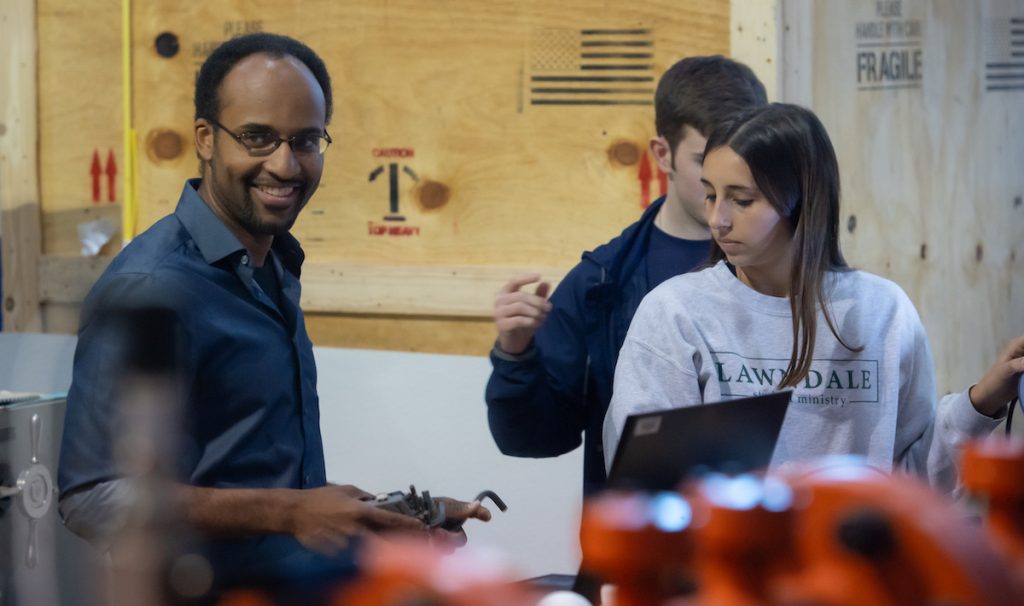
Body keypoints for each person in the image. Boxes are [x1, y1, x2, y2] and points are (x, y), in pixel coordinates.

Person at [57, 33, 487, 590]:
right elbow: (92, 498)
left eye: (306, 140)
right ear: (206, 140)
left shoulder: (272, 262)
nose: (285, 165)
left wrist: (386, 516)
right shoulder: (152, 287)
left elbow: (260, 480)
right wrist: (290, 512)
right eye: (257, 138)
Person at [603, 103, 1024, 494]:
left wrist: (981, 403)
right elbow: (643, 488)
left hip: (855, 570)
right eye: (711, 195)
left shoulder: (883, 312)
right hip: (729, 568)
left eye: (742, 200)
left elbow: (914, 484)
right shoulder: (675, 313)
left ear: (801, 200)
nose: (718, 220)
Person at [485, 56, 768, 495]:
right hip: (637, 545)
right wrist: (516, 356)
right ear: (663, 154)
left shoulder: (788, 267)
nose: (724, 181)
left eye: (742, 161)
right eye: (704, 162)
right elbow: (534, 437)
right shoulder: (602, 282)